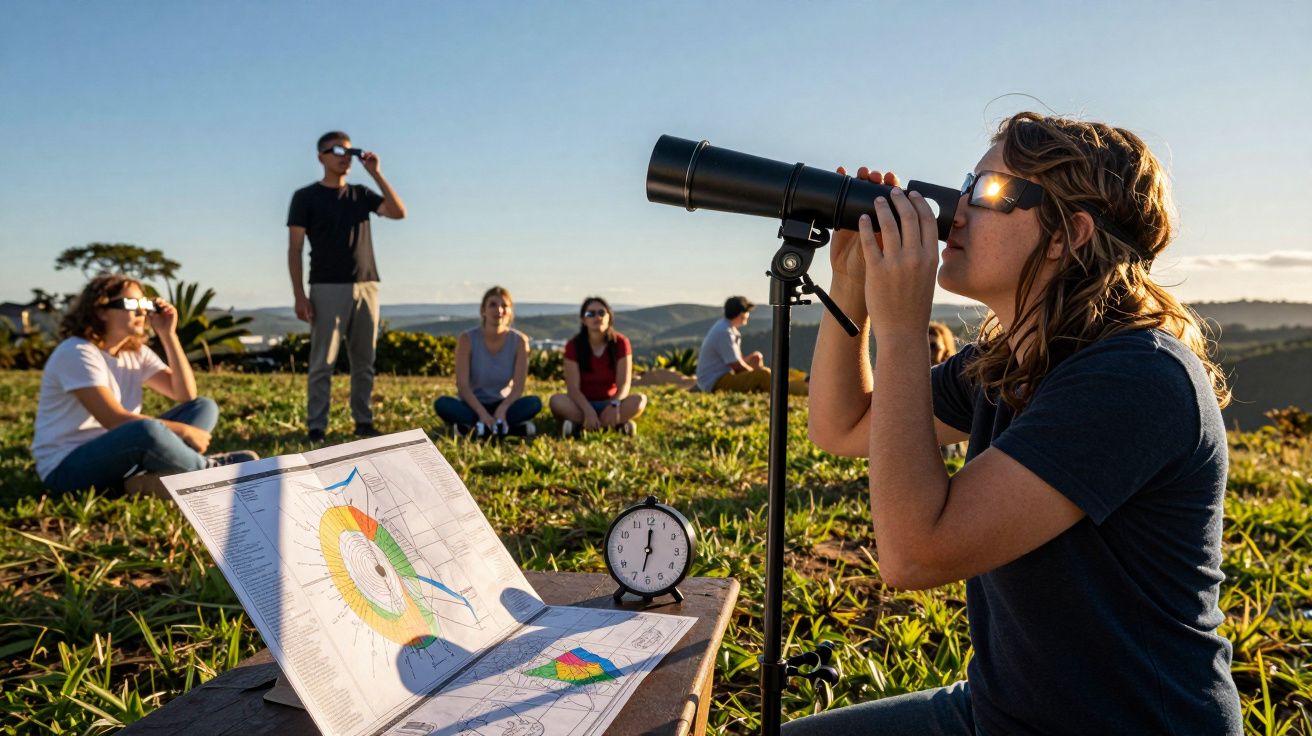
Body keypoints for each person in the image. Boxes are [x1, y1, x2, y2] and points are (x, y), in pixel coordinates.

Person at [799, 112, 1241, 734]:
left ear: (1068, 233)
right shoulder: (1010, 359)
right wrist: (851, 286)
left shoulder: (1136, 378)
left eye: (990, 192)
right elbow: (843, 425)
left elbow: (914, 555)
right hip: (1002, 710)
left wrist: (902, 329)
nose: (953, 209)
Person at [31, 275, 257, 494]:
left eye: (144, 303)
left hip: (121, 454)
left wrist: (168, 335)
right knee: (144, 431)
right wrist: (185, 431)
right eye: (130, 303)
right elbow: (115, 420)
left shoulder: (135, 352)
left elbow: (185, 394)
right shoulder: (77, 352)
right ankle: (209, 471)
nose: (141, 311)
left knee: (203, 407)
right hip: (67, 469)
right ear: (100, 311)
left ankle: (139, 481)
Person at [287, 130, 407, 443]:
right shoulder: (305, 197)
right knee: (322, 362)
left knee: (364, 360)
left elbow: (398, 212)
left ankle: (363, 421)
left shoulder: (361, 194)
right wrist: (299, 295)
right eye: (337, 150)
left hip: (367, 285)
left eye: (350, 151)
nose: (344, 156)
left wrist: (376, 174)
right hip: (326, 286)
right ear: (320, 157)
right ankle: (317, 427)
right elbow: (294, 249)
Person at [433, 286, 541, 437]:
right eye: (493, 304)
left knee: (534, 403)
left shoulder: (519, 341)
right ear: (483, 310)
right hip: (472, 405)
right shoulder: (467, 339)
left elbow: (518, 387)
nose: (499, 310)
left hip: (503, 404)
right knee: (442, 404)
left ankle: (475, 429)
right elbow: (463, 386)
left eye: (504, 305)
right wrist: (482, 413)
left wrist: (502, 409)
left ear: (510, 312)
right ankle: (505, 428)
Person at [548, 297, 646, 437]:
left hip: (611, 402)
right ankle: (616, 425)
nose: (597, 317)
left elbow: (623, 383)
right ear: (583, 320)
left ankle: (580, 426)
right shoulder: (573, 345)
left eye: (601, 313)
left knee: (639, 401)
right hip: (581, 404)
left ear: (609, 317)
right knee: (556, 401)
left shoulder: (621, 343)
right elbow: (573, 389)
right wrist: (588, 411)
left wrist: (614, 405)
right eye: (590, 314)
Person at [696, 296, 769, 392]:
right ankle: (778, 396)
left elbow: (736, 361)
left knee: (756, 358)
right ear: (741, 314)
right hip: (715, 382)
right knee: (763, 375)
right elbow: (736, 365)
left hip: (719, 376)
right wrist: (753, 373)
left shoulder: (726, 328)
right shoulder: (724, 332)